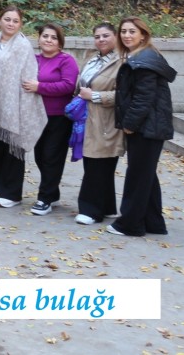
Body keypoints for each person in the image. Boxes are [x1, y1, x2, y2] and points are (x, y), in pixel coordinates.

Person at [108, 18, 177, 238]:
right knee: (146, 175)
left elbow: (143, 98)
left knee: (138, 175)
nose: (127, 35)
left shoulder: (144, 59)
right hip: (150, 126)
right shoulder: (142, 56)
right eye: (123, 32)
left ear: (143, 35)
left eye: (132, 32)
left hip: (147, 128)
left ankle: (130, 225)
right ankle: (154, 222)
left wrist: (130, 124)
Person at [0, 6, 44, 209]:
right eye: (7, 19)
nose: (10, 24)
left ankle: (12, 192)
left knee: (13, 149)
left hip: (14, 103)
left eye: (15, 21)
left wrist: (21, 101)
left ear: (20, 24)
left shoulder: (22, 46)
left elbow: (29, 73)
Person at [24, 23, 80, 216]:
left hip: (59, 118)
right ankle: (53, 193)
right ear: (39, 39)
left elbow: (68, 85)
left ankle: (44, 199)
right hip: (37, 116)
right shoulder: (33, 59)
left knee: (51, 157)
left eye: (53, 37)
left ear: (60, 42)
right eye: (45, 36)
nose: (48, 40)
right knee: (40, 156)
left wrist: (40, 87)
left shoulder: (66, 61)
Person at [72, 23, 124, 225]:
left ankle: (91, 210)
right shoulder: (92, 57)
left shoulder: (122, 61)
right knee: (96, 162)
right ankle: (107, 206)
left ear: (116, 36)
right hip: (87, 119)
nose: (101, 39)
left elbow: (124, 94)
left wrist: (95, 96)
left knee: (99, 163)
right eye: (97, 36)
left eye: (105, 35)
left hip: (106, 121)